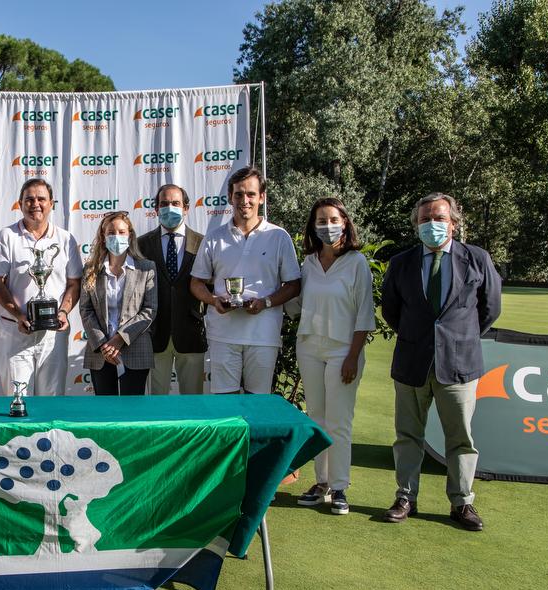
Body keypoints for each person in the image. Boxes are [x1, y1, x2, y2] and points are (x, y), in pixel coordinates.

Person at [381, 192, 501, 530]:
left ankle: (462, 503)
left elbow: (489, 309)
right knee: (407, 435)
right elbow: (392, 311)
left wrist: (455, 337)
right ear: (416, 225)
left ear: (453, 223)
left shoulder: (477, 259)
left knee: (461, 439)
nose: (432, 224)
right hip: (412, 362)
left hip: (460, 363)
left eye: (439, 218)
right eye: (424, 219)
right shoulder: (401, 263)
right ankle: (406, 497)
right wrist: (420, 337)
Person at [293, 198, 375, 515]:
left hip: (344, 349)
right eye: (321, 221)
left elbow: (365, 315)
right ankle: (322, 482)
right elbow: (297, 303)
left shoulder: (356, 263)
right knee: (318, 418)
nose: (327, 226)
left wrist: (353, 356)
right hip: (310, 346)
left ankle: (340, 486)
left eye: (333, 219)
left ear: (345, 222)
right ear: (313, 226)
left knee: (339, 421)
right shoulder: (309, 263)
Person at [189, 166, 301, 394]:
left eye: (251, 194)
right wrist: (213, 301)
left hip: (264, 334)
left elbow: (293, 285)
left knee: (257, 403)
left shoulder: (278, 236)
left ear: (262, 197)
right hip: (223, 334)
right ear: (230, 197)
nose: (245, 200)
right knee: (224, 403)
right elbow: (196, 283)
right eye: (238, 194)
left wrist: (265, 303)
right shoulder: (214, 237)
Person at [0, 178, 83, 396]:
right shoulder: (6, 237)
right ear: (20, 204)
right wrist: (18, 314)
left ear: (51, 204)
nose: (35, 204)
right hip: (15, 331)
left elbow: (74, 283)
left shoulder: (65, 239)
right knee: (18, 400)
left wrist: (64, 312)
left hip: (53, 334)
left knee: (52, 399)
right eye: (29, 199)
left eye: (41, 199)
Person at [137, 184, 207, 394]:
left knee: (193, 403)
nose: (170, 208)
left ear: (186, 208)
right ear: (156, 209)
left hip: (191, 332)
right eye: (164, 204)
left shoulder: (203, 243)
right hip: (155, 333)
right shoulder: (141, 244)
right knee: (157, 405)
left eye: (175, 203)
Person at [78, 211, 157, 395]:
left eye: (122, 232)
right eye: (111, 233)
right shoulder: (91, 270)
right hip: (100, 352)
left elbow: (149, 310)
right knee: (105, 414)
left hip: (135, 349)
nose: (117, 236)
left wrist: (119, 339)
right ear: (103, 237)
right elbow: (85, 309)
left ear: (130, 236)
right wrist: (104, 344)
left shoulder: (146, 268)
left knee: (132, 413)